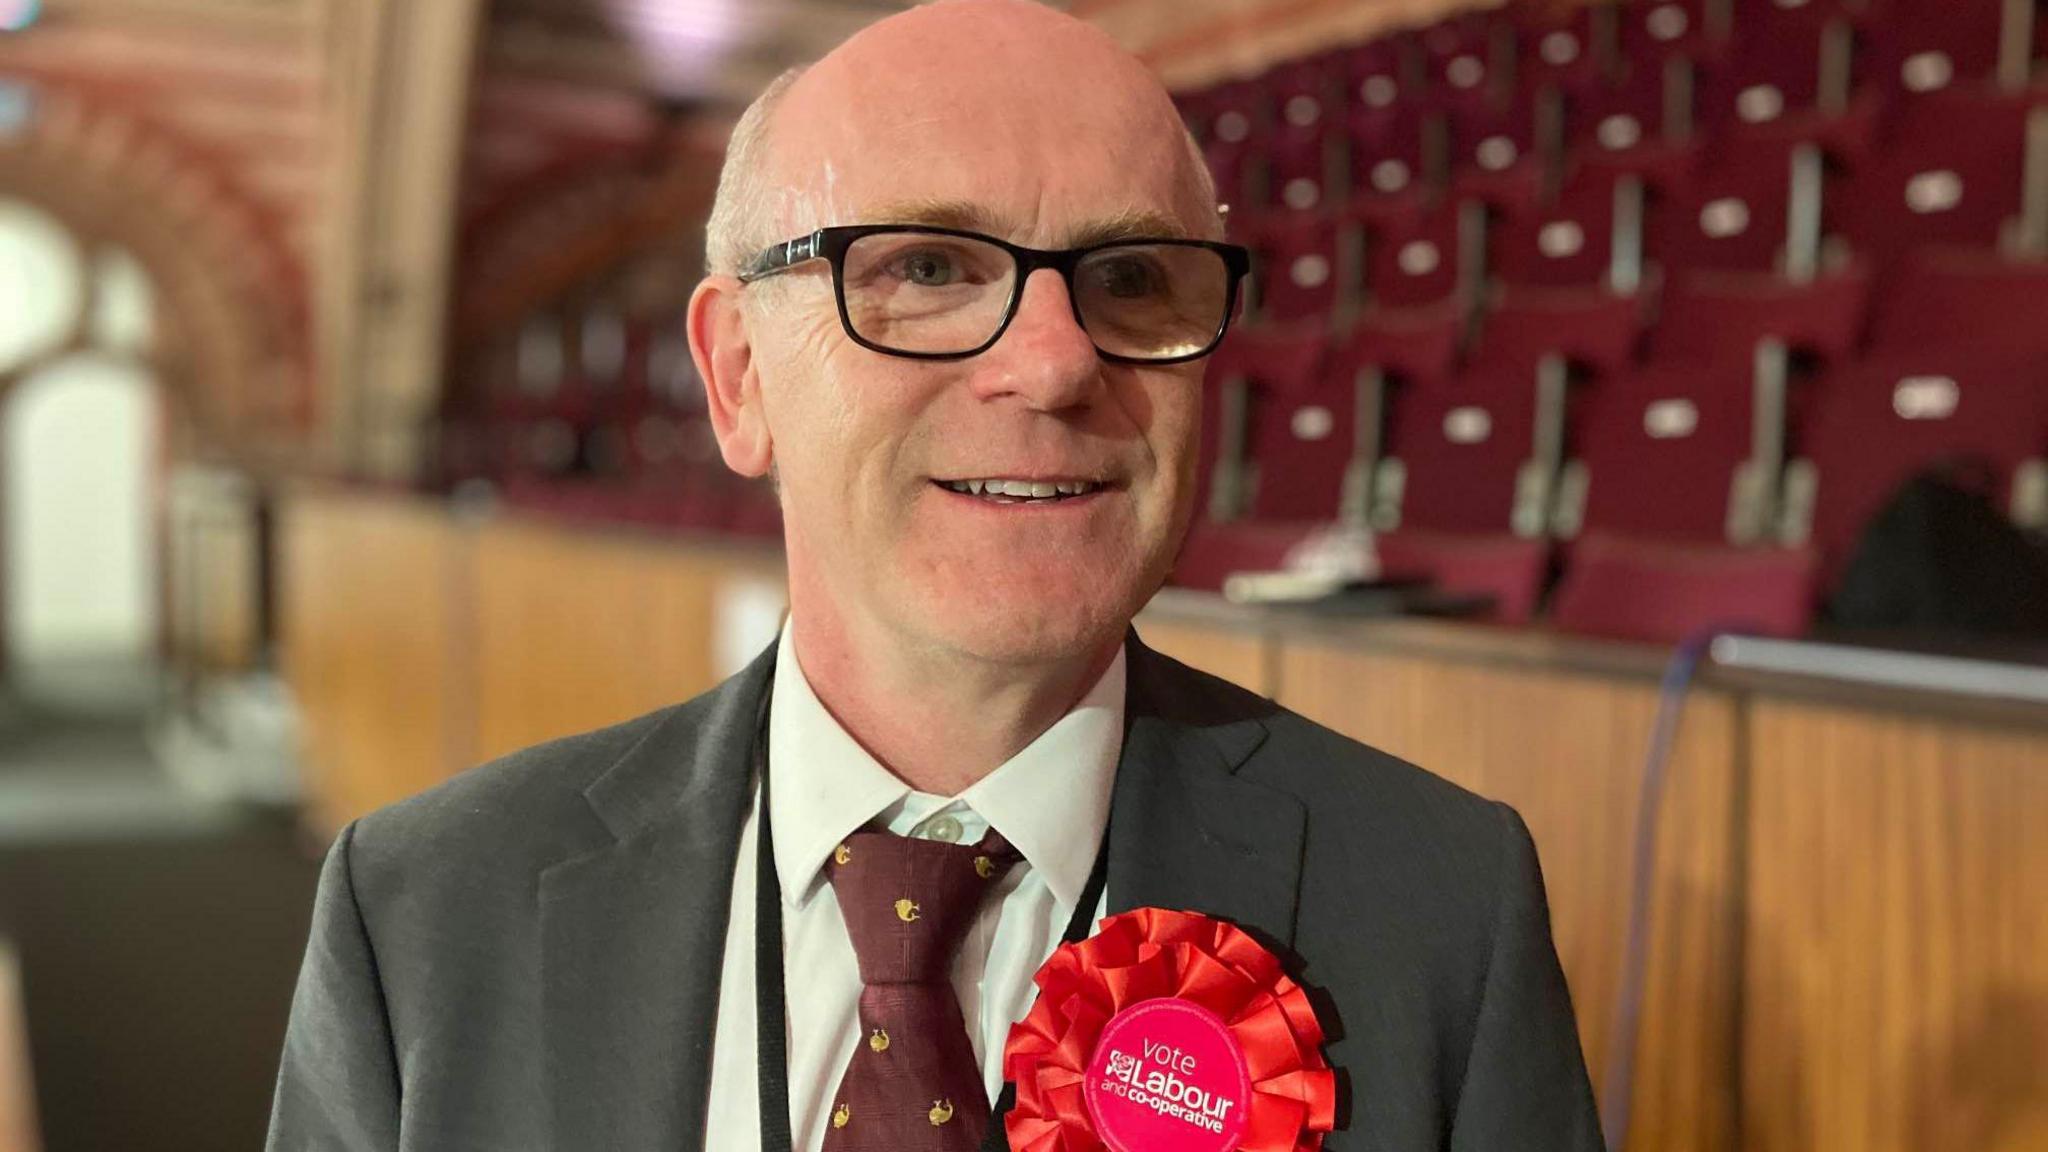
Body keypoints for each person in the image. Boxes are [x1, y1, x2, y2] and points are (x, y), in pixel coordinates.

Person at [266, 2, 1602, 1149]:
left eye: (1130, 277)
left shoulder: (1440, 908)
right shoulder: (424, 914)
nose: (1056, 362)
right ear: (740, 380)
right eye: (924, 268)